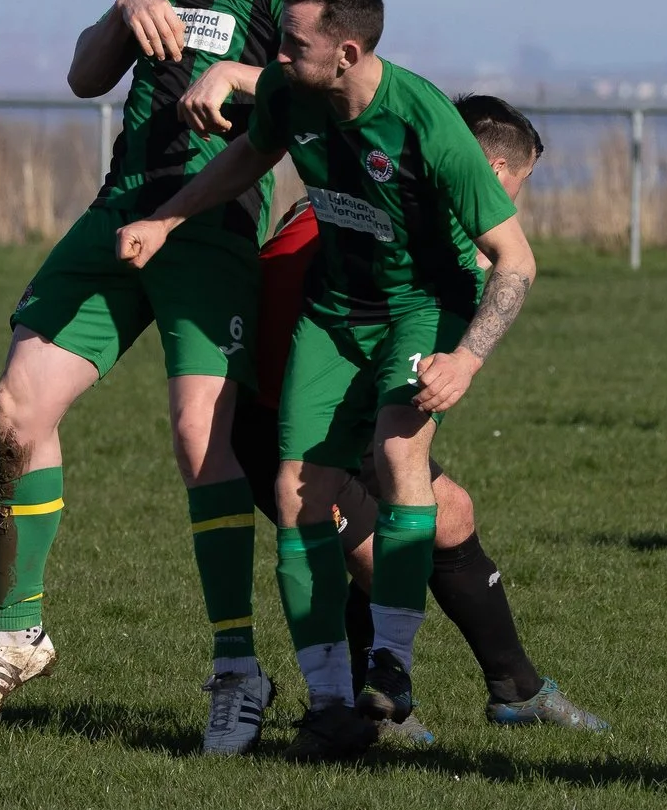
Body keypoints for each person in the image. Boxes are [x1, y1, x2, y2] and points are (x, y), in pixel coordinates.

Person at [0, 0, 316, 752]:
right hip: (118, 214)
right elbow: (82, 76)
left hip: (209, 225)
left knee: (199, 440)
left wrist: (246, 76)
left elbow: (323, 100)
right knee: (17, 409)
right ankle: (16, 634)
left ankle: (237, 668)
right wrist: (126, 6)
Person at [118, 0, 537, 761]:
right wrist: (166, 219)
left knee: (396, 451)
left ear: (346, 53)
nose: (277, 54)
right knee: (291, 491)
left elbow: (515, 261)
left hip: (420, 307)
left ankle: (392, 666)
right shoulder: (289, 90)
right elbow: (248, 156)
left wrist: (467, 359)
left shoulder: (424, 122)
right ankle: (333, 700)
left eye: (295, 43)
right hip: (333, 308)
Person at [226, 95, 606, 746]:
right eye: (520, 182)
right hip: (278, 425)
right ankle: (357, 711)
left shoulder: (395, 199)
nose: (516, 205)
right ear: (487, 167)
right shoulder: (393, 225)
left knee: (450, 512)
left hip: (353, 416)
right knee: (382, 556)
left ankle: (516, 691)